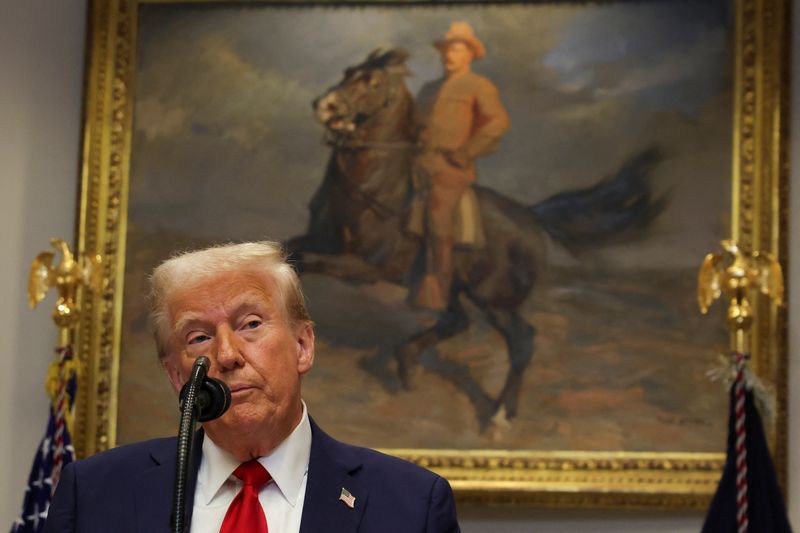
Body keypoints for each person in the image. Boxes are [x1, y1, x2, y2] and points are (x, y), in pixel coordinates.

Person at [44, 241, 460, 532]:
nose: (227, 355)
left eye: (251, 325)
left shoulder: (410, 506)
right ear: (176, 375)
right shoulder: (95, 494)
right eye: (198, 337)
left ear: (302, 346)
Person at [412, 21, 510, 311]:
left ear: (470, 54)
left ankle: (438, 289)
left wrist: (467, 152)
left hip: (450, 169)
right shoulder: (429, 89)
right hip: (418, 163)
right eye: (445, 49)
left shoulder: (479, 86)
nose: (448, 55)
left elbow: (498, 123)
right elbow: (414, 124)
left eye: (456, 49)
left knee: (437, 212)